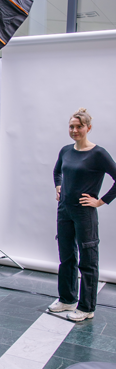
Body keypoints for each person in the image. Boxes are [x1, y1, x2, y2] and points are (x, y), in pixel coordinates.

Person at [48, 108, 116, 322]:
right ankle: (67, 299)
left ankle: (86, 308)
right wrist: (58, 186)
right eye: (71, 127)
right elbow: (57, 171)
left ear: (88, 128)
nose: (74, 130)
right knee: (67, 256)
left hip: (84, 213)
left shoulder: (98, 154)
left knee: (88, 260)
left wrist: (100, 201)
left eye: (79, 126)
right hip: (64, 210)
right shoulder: (66, 150)